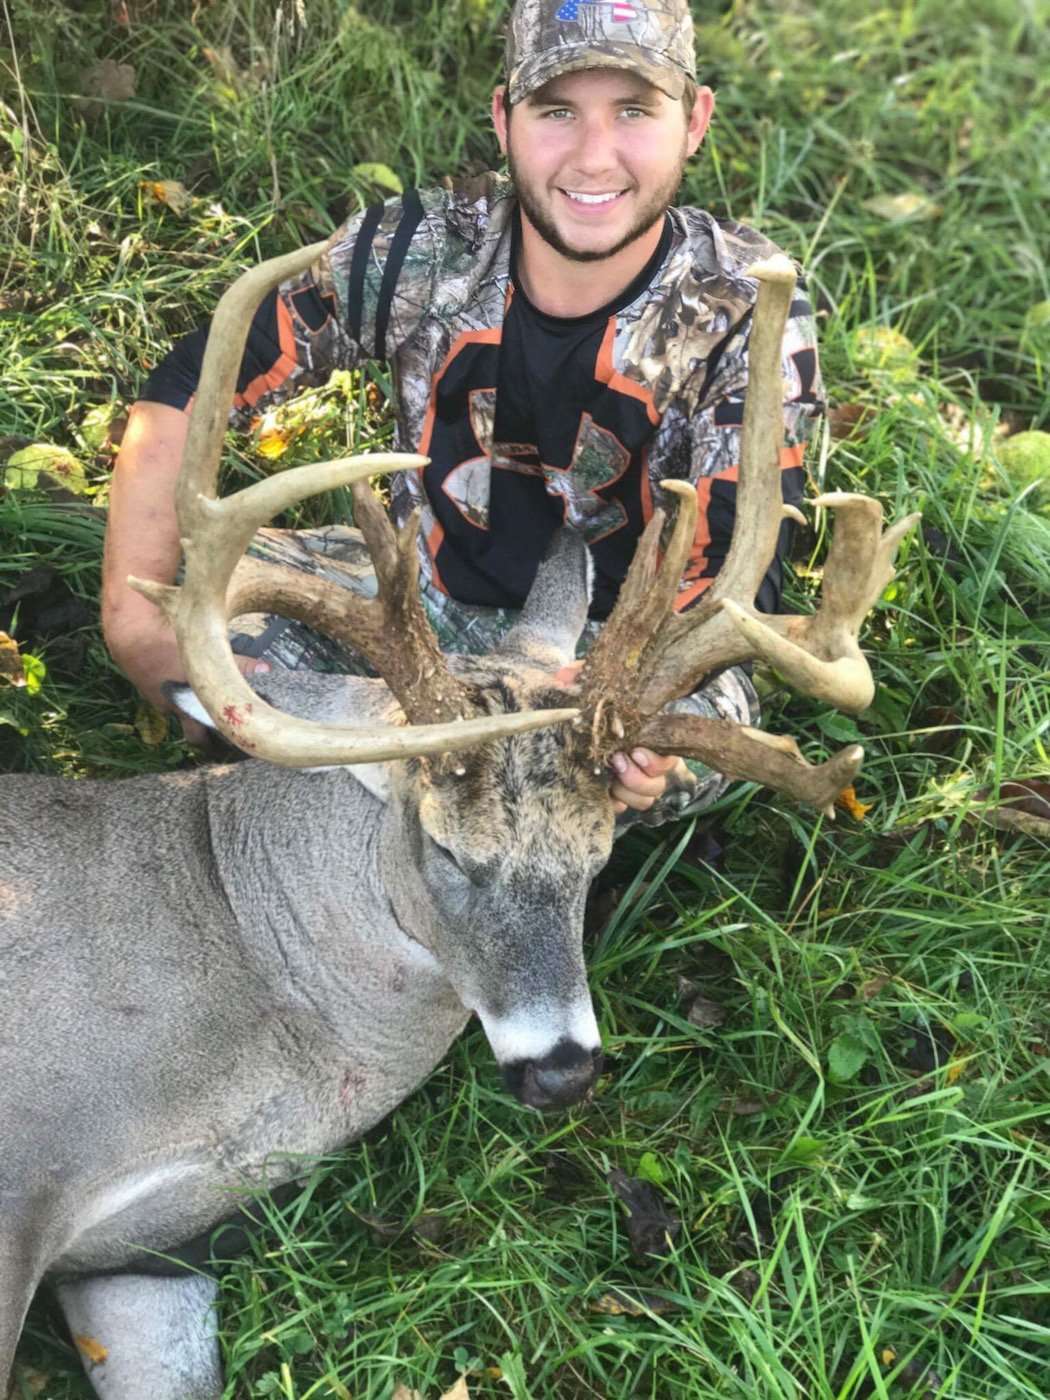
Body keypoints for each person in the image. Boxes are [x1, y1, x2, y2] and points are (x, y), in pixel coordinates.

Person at [101, 0, 823, 823]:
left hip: (615, 655)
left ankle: (432, 789)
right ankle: (451, 793)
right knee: (203, 624)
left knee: (677, 740)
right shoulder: (424, 250)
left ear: (694, 120)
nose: (593, 158)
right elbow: (198, 378)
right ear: (503, 117)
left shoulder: (744, 306)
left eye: (634, 111)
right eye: (556, 111)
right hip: (420, 605)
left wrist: (630, 705)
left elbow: (744, 574)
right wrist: (138, 607)